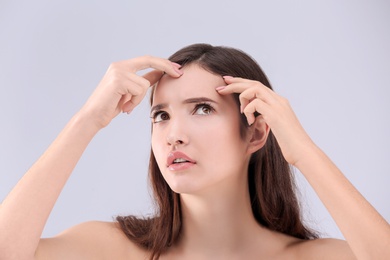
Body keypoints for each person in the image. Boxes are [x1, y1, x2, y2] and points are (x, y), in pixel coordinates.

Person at [0, 43, 389, 260]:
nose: (174, 135)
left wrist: (302, 150)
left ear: (256, 134)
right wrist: (88, 120)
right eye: (161, 115)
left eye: (203, 109)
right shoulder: (114, 249)